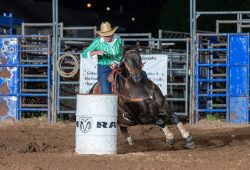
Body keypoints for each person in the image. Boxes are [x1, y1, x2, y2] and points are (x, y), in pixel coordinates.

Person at [81, 21, 123, 94]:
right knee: (106, 92)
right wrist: (96, 52)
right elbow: (84, 54)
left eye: (108, 35)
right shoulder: (98, 42)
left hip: (119, 67)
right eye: (104, 35)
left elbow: (121, 54)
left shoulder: (119, 40)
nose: (106, 37)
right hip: (104, 69)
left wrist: (116, 62)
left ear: (112, 33)